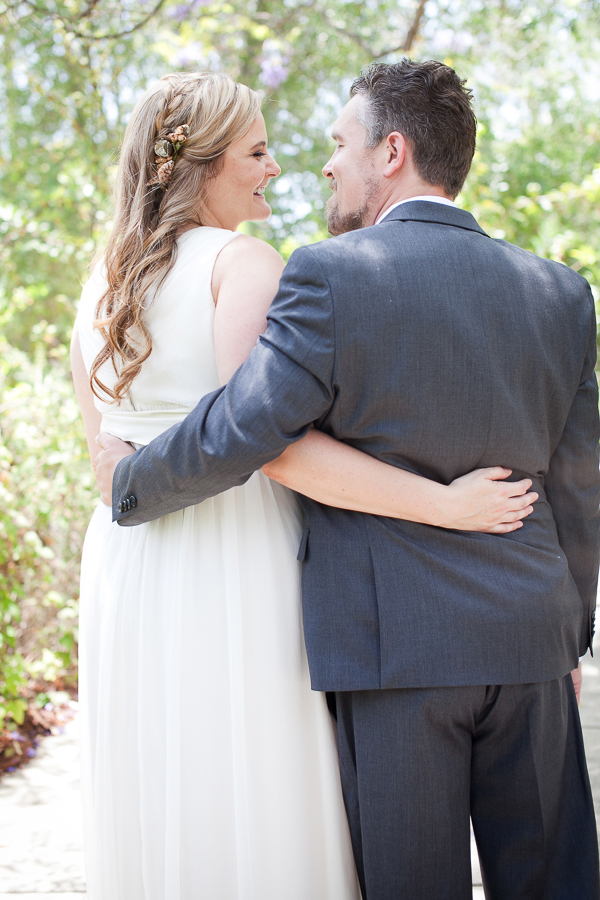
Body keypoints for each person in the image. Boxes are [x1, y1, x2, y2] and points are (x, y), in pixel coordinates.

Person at [96, 60, 600, 900]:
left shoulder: (328, 275)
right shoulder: (560, 291)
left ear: (391, 151)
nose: (325, 164)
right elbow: (583, 480)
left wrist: (129, 482)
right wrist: (571, 632)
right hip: (530, 645)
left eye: (339, 144)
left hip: (392, 654)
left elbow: (247, 426)